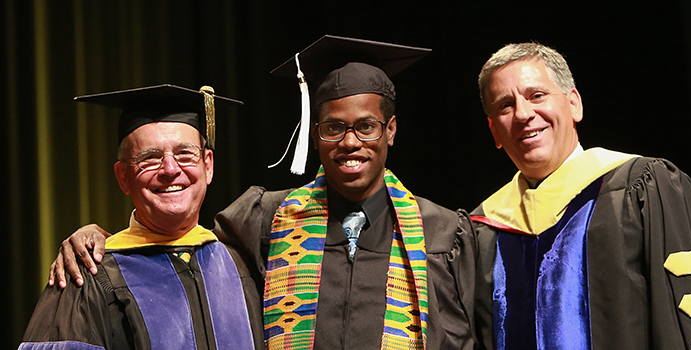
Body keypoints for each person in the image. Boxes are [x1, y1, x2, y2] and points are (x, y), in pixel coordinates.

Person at [48, 37, 482, 350]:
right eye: (334, 128)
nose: (350, 142)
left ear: (390, 131)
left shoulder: (444, 232)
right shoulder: (266, 218)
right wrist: (97, 235)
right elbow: (173, 237)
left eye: (366, 126)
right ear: (315, 136)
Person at [471, 42, 691, 350]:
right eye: (505, 106)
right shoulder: (482, 230)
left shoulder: (643, 188)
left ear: (574, 104)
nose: (523, 114)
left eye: (537, 95)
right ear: (494, 130)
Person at [21, 85, 261, 350]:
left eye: (185, 154)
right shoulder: (87, 275)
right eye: (150, 158)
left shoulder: (241, 264)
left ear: (208, 166)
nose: (170, 169)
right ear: (123, 177)